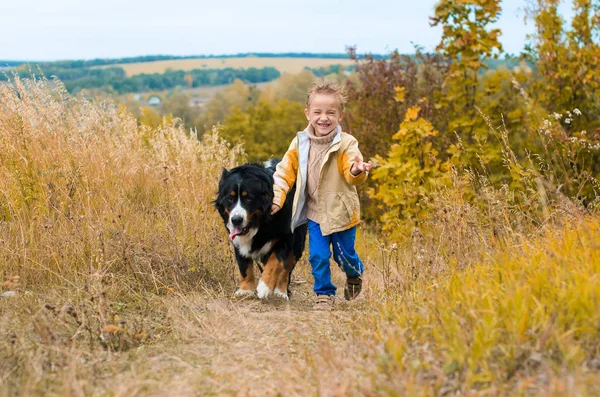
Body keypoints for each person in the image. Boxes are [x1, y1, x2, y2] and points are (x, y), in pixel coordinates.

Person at [270, 80, 372, 310]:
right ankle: (324, 294)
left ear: (340, 115)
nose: (323, 118)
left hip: (341, 212)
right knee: (318, 256)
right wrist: (277, 198)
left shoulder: (347, 143)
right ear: (308, 114)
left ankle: (354, 274)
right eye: (317, 112)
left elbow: (351, 170)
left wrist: (356, 170)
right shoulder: (299, 143)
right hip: (315, 212)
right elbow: (284, 173)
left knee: (344, 257)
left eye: (330, 113)